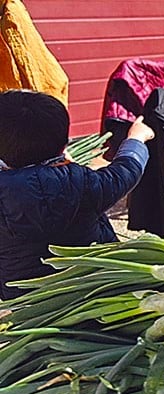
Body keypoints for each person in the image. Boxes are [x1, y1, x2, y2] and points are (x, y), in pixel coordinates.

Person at [0, 89, 154, 300]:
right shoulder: (82, 181)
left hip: (26, 301)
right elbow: (126, 172)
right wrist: (136, 139)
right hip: (91, 287)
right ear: (64, 143)